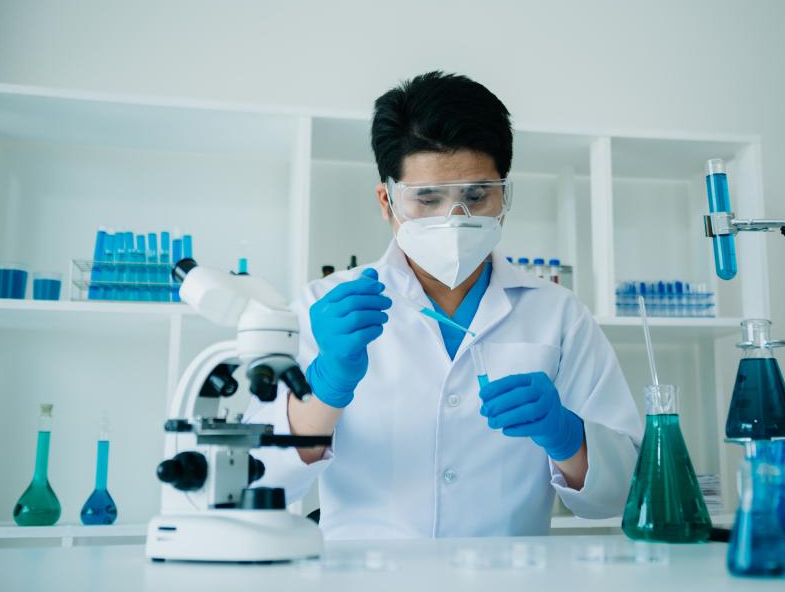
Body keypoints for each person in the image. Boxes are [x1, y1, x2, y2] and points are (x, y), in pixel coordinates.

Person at [246, 71, 642, 539]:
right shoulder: (324, 307)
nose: (455, 218)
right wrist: (325, 385)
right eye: (427, 198)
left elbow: (623, 494)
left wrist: (567, 435)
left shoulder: (558, 313)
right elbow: (259, 477)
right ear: (387, 201)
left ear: (503, 193)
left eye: (477, 195)